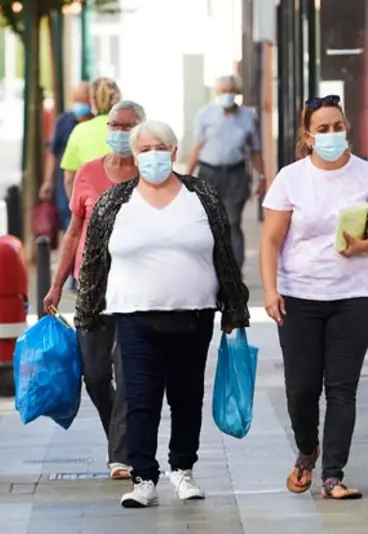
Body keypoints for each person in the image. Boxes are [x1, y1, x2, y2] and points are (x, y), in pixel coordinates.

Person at [75, 120, 249, 508]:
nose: (153, 155)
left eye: (160, 147)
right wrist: (86, 314)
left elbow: (224, 252)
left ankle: (183, 470)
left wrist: (235, 309)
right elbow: (92, 261)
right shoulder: (114, 202)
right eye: (145, 149)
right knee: (140, 399)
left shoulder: (201, 195)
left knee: (187, 398)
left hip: (194, 315)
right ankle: (143, 478)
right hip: (134, 319)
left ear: (174, 151)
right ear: (134, 157)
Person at [259, 95, 368, 501]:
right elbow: (271, 241)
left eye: (337, 126)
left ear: (347, 129)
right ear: (308, 137)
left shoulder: (367, 175)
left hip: (354, 296)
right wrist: (270, 290)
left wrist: (363, 246)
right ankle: (307, 449)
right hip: (300, 295)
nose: (331, 135)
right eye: (322, 129)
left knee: (342, 388)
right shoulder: (291, 178)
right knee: (302, 389)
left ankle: (333, 476)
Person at [42, 99, 147, 480]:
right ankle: (122, 436)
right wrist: (56, 285)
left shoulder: (150, 173)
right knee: (96, 373)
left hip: (137, 285)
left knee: (129, 368)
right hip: (91, 284)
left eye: (127, 126)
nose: (119, 132)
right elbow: (73, 232)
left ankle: (121, 453)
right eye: (114, 125)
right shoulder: (87, 173)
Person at [184, 75, 265, 270]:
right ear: (217, 93)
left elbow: (255, 150)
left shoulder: (247, 117)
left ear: (236, 92)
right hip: (209, 174)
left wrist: (262, 177)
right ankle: (212, 268)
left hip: (235, 175)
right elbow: (196, 148)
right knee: (209, 222)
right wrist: (186, 177)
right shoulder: (205, 114)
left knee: (232, 221)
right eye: (222, 91)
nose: (226, 95)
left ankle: (235, 271)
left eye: (230, 91)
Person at [40, 81, 92, 238]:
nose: (79, 105)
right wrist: (48, 181)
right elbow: (52, 152)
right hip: (65, 183)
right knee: (67, 222)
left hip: (87, 183)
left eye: (83, 100)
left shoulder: (96, 123)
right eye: (76, 100)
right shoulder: (63, 122)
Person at [59, 77, 121, 196]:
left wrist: (78, 209)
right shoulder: (134, 130)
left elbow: (69, 179)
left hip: (91, 207)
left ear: (92, 101)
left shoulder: (79, 131)